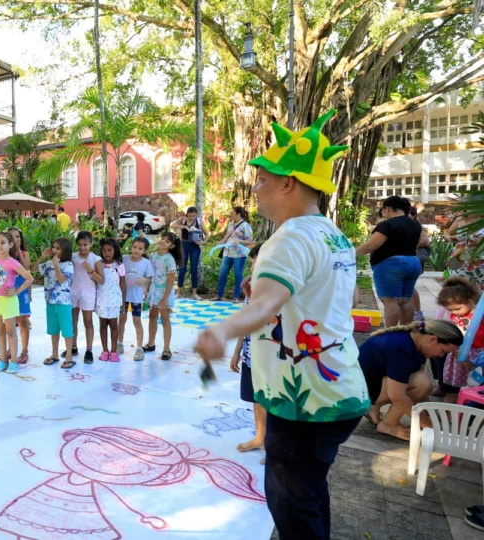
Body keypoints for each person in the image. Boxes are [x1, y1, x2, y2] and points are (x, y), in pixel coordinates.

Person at [194, 110, 370, 539]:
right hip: (339, 390)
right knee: (308, 496)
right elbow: (341, 301)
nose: (255, 190)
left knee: (292, 507)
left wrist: (221, 330)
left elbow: (267, 304)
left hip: (305, 402)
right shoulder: (333, 234)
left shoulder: (288, 238)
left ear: (288, 182)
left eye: (262, 180)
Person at [358, 320, 463, 441]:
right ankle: (389, 424)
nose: (441, 356)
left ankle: (373, 407)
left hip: (367, 384)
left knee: (424, 383)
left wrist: (425, 416)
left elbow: (420, 389)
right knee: (422, 382)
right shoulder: (403, 350)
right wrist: (428, 425)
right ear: (432, 339)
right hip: (358, 392)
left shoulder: (416, 341)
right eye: (443, 351)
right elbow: (397, 395)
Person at [356, 196, 422, 327]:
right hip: (413, 263)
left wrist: (350, 254)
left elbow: (371, 245)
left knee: (390, 301)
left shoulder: (387, 224)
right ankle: (405, 332)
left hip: (391, 265)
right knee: (405, 300)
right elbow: (417, 246)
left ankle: (389, 332)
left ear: (387, 208)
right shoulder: (415, 224)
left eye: (383, 209)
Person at [229, 243, 267, 463]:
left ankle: (275, 444)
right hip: (252, 352)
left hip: (271, 353)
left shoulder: (277, 287)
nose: (254, 265)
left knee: (273, 398)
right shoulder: (250, 286)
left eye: (258, 260)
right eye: (253, 261)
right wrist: (237, 352)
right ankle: (260, 437)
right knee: (257, 397)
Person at [0, 232, 34, 375]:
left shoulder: (13, 262)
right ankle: (2, 359)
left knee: (10, 332)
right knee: (0, 331)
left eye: (3, 242)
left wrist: (17, 291)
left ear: (10, 245)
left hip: (9, 301)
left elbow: (29, 278)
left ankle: (13, 360)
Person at [436, 277, 484, 403]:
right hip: (457, 354)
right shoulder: (457, 314)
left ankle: (465, 406)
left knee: (471, 383)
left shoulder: (479, 315)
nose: (454, 313)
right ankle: (449, 405)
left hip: (475, 353)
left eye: (457, 308)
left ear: (470, 300)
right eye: (451, 310)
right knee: (453, 383)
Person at [37, 238, 76, 369]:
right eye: (53, 247)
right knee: (53, 329)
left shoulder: (68, 265)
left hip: (63, 302)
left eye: (58, 248)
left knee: (66, 329)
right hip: (50, 301)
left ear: (65, 251)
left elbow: (61, 279)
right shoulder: (49, 263)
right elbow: (32, 268)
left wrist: (56, 265)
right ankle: (54, 354)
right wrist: (43, 256)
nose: (54, 250)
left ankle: (69, 356)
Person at [68, 231, 103, 364]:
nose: (82, 248)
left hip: (88, 294)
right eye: (79, 245)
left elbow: (101, 280)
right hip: (73, 293)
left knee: (88, 322)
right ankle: (73, 346)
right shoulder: (73, 257)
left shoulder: (95, 259)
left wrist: (91, 270)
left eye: (85, 245)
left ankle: (89, 350)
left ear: (91, 244)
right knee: (72, 322)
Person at [145, 232, 181, 360]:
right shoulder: (153, 256)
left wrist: (165, 299)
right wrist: (146, 290)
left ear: (171, 246)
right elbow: (150, 275)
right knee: (152, 316)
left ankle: (166, 348)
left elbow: (171, 281)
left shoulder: (169, 259)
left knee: (165, 319)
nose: (163, 241)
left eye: (167, 241)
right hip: (154, 292)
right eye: (162, 238)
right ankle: (151, 343)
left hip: (164, 292)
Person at [118, 237, 153, 361]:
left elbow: (150, 278)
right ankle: (119, 343)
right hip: (123, 297)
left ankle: (139, 348)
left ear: (144, 250)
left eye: (140, 248)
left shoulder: (146, 263)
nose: (136, 250)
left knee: (136, 321)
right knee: (121, 319)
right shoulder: (124, 259)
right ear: (131, 247)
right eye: (134, 247)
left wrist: (144, 280)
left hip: (136, 298)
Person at [215, 206, 254, 301]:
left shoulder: (245, 225)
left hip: (239, 254)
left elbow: (250, 241)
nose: (230, 214)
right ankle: (219, 295)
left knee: (237, 274)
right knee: (223, 273)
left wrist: (239, 241)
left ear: (238, 214)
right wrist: (222, 241)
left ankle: (236, 296)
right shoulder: (231, 224)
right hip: (227, 253)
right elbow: (228, 236)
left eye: (232, 212)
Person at [96, 238, 126, 362]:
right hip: (102, 300)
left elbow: (123, 284)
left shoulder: (119, 265)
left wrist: (123, 302)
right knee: (103, 325)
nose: (107, 253)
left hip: (114, 301)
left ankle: (113, 351)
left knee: (113, 325)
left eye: (109, 250)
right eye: (104, 250)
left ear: (115, 250)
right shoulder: (99, 265)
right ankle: (104, 350)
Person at [170, 206, 207, 299]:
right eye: (190, 216)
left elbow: (207, 234)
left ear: (196, 215)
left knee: (194, 269)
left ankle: (194, 293)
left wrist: (203, 242)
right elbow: (172, 225)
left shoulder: (199, 221)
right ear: (187, 214)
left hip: (195, 246)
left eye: (193, 216)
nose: (191, 218)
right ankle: (179, 292)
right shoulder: (182, 219)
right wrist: (184, 226)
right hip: (183, 245)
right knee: (182, 269)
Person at [8, 227, 32, 364]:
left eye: (17, 236)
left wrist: (18, 253)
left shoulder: (25, 253)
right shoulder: (4, 256)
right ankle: (10, 348)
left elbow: (26, 268)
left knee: (23, 322)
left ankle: (24, 351)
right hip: (8, 293)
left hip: (21, 292)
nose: (15, 239)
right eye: (12, 237)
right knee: (9, 323)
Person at [409, 207, 430, 321]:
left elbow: (425, 241)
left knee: (410, 286)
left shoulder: (418, 227)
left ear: (413, 215)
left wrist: (409, 244)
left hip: (415, 259)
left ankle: (418, 312)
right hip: (406, 259)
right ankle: (410, 311)